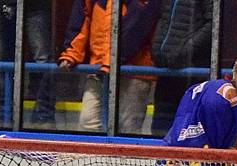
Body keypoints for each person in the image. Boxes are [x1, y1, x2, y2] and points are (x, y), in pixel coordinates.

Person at [58, 0, 161, 134]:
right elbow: (82, 16)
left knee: (127, 129)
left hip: (134, 71)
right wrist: (71, 53)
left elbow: (140, 24)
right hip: (99, 68)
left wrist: (111, 61)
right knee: (87, 125)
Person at [150, 0, 213, 136]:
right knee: (160, 130)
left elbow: (213, 24)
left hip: (192, 73)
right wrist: (157, 50)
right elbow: (164, 20)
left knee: (186, 131)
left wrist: (184, 52)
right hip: (166, 71)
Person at [0, 0, 56, 126]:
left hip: (36, 6)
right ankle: (3, 111)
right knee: (4, 60)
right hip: (5, 5)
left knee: (42, 59)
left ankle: (44, 112)